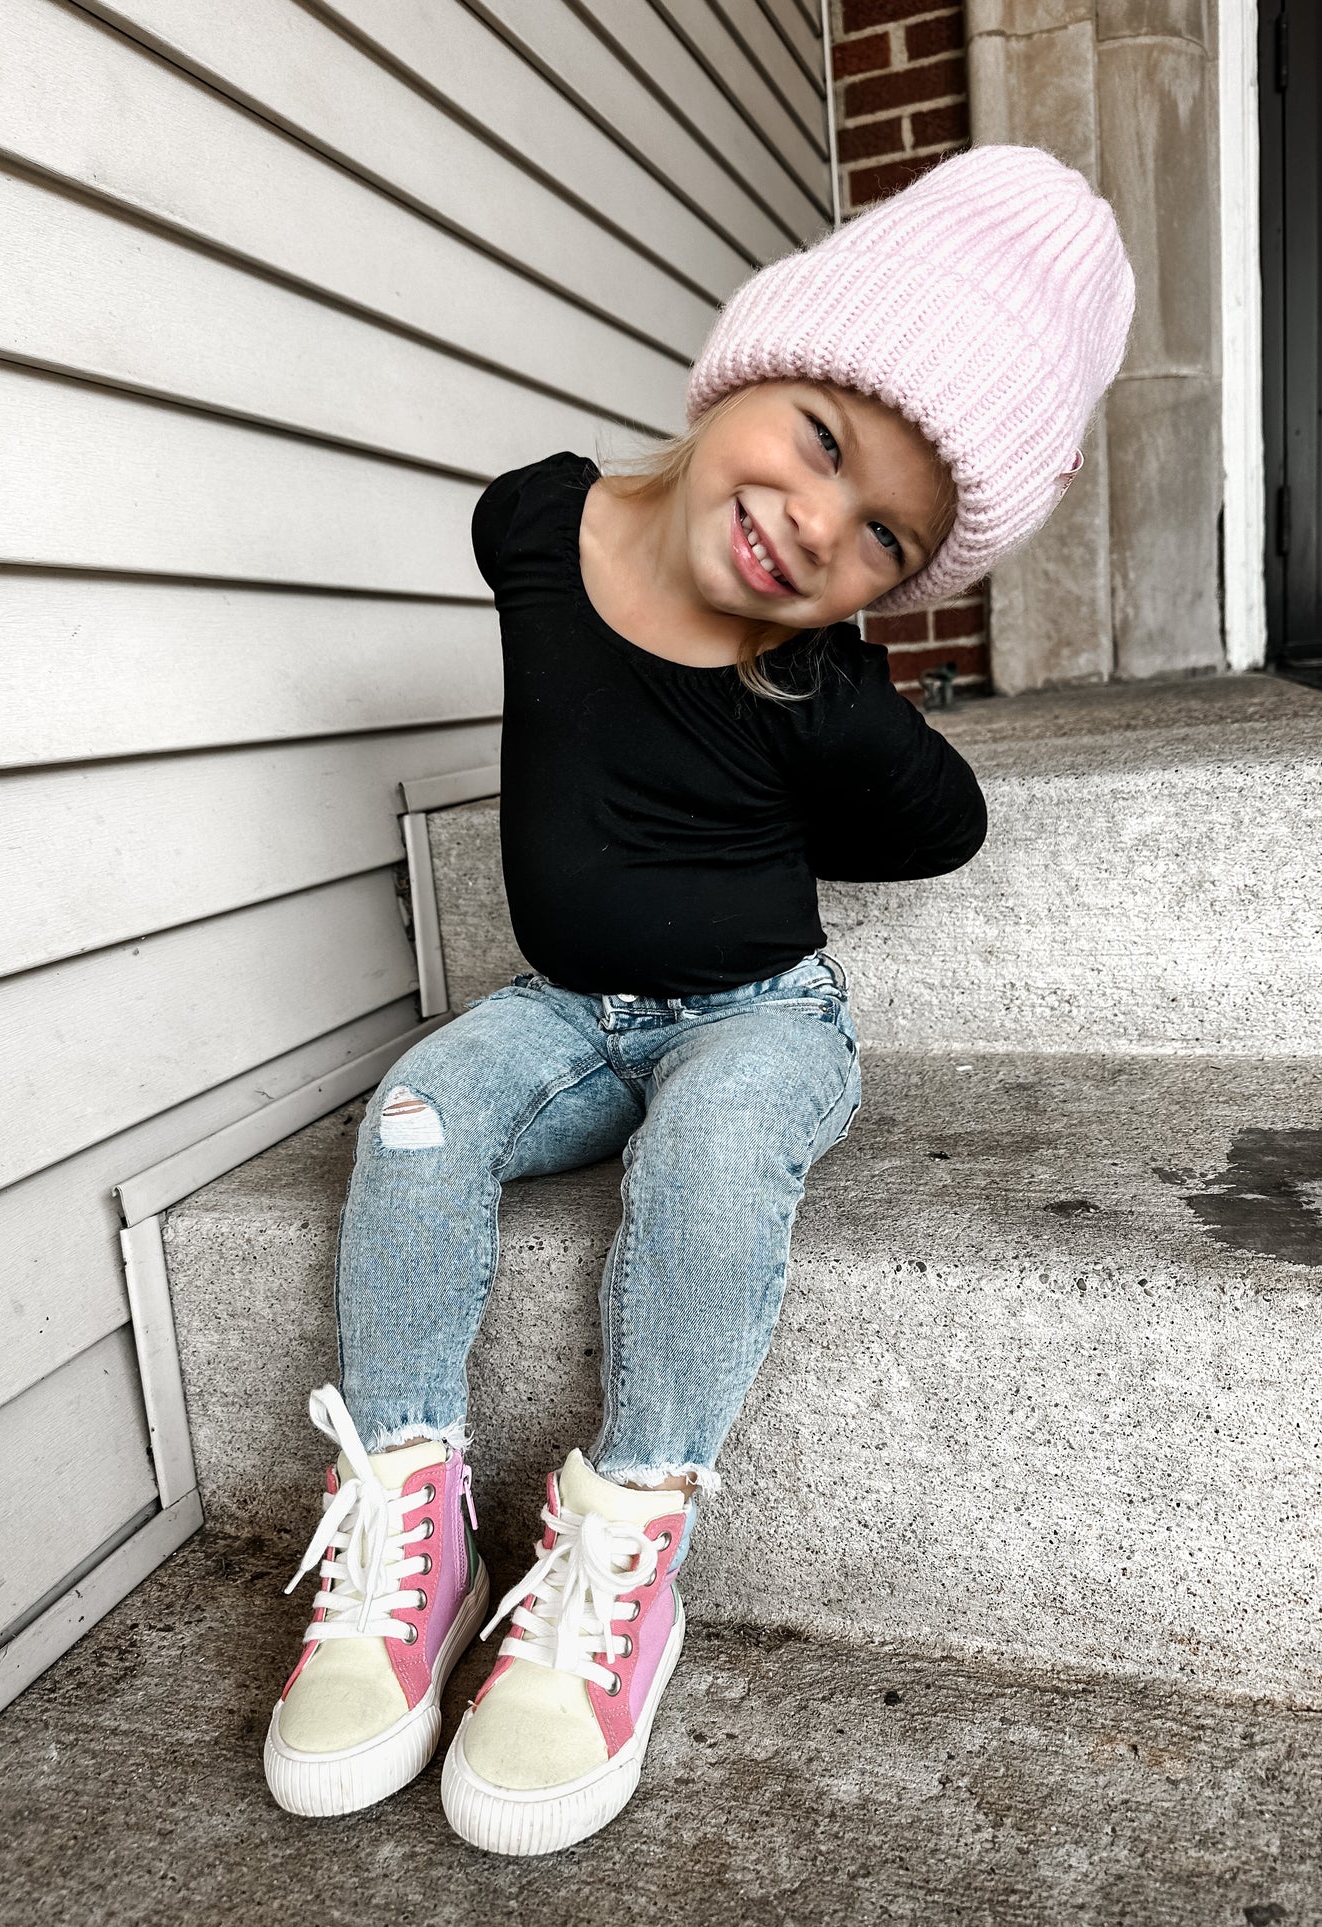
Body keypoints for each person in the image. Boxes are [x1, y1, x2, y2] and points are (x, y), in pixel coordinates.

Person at [260, 143, 1135, 1854]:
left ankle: (627, 1534)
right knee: (421, 1111)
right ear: (747, 365)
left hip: (754, 1010)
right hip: (567, 1007)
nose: (820, 519)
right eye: (821, 443)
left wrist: (837, 713)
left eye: (884, 532)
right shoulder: (534, 523)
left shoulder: (809, 672)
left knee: (715, 1162)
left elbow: (940, 830)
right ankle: (408, 1522)